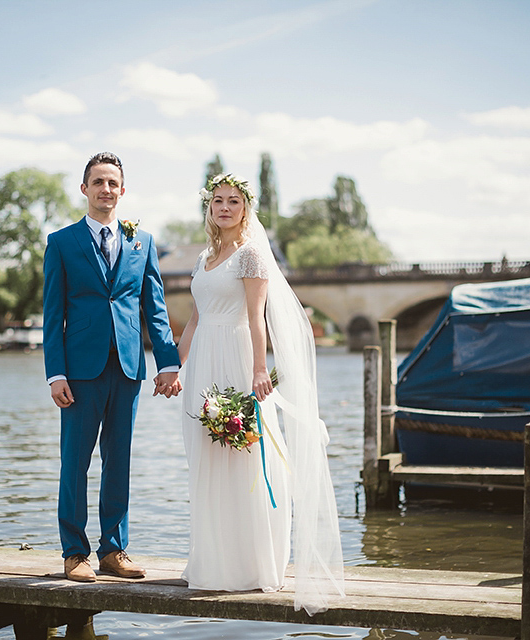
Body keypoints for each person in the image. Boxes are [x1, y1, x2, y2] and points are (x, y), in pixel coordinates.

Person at [176, 174, 345, 615]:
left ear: (245, 209)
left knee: (243, 456)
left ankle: (249, 565)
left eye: (234, 201)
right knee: (204, 457)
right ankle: (210, 560)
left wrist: (256, 371)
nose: (225, 207)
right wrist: (175, 366)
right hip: (201, 368)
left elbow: (257, 319)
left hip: (235, 360)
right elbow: (193, 320)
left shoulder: (251, 256)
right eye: (218, 201)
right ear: (209, 208)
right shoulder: (204, 257)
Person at [43, 152, 182, 583]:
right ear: (84, 189)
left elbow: (154, 309)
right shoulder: (61, 242)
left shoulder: (142, 242)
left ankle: (114, 550)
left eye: (113, 183)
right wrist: (56, 372)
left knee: (118, 460)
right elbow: (52, 314)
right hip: (80, 370)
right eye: (98, 182)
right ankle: (74, 553)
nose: (106, 189)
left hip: (127, 367)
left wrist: (168, 363)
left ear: (123, 190)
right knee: (75, 461)